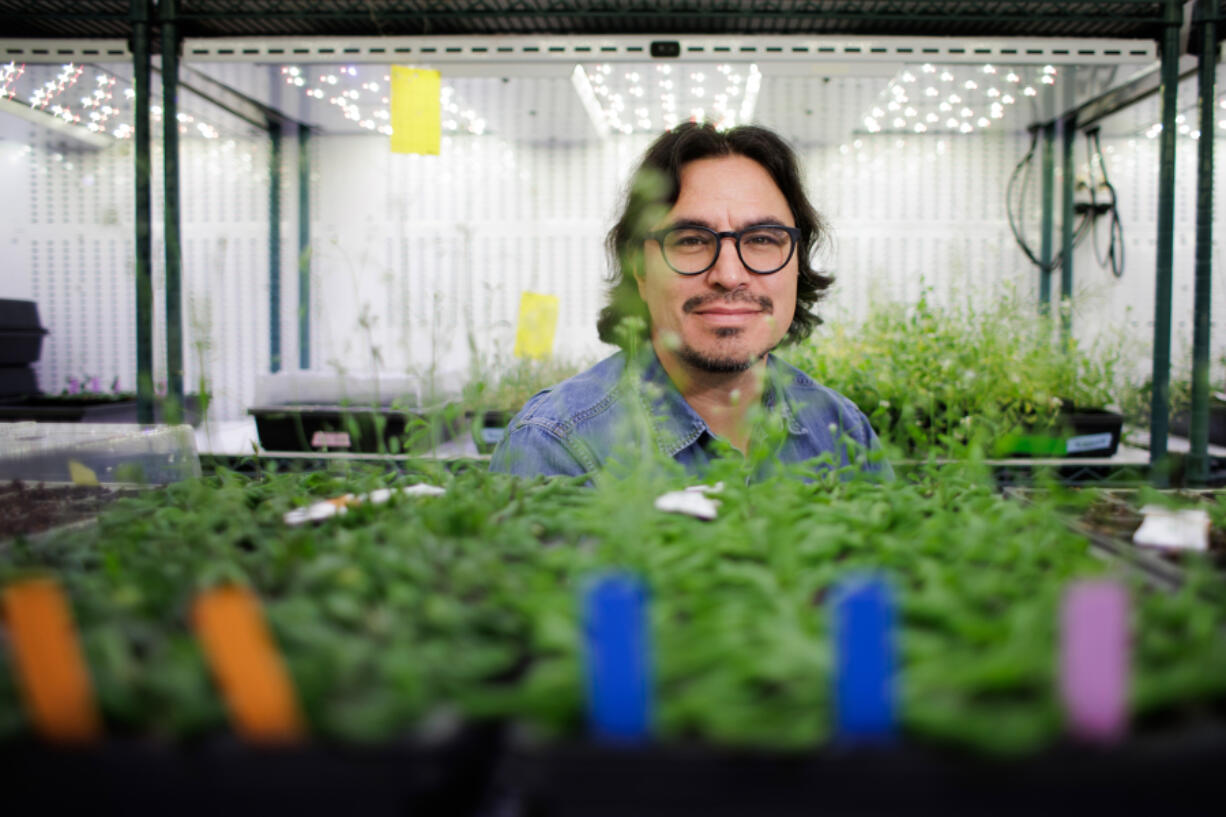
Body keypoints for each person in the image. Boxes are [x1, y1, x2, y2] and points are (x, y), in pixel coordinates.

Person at [489, 122, 889, 480]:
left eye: (763, 239)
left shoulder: (843, 432)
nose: (729, 275)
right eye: (691, 241)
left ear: (797, 265)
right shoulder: (556, 445)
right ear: (640, 271)